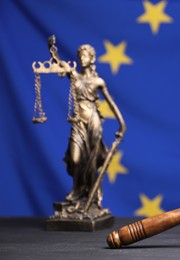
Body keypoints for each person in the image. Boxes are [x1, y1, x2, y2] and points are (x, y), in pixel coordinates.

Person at [58, 44, 126, 208]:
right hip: (78, 122)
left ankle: (91, 197)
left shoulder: (98, 81)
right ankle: (77, 191)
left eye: (85, 56)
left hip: (93, 123)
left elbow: (111, 103)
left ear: (92, 58)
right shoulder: (75, 76)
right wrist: (53, 51)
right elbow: (59, 63)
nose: (82, 58)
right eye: (80, 55)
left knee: (91, 161)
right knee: (75, 159)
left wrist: (121, 124)